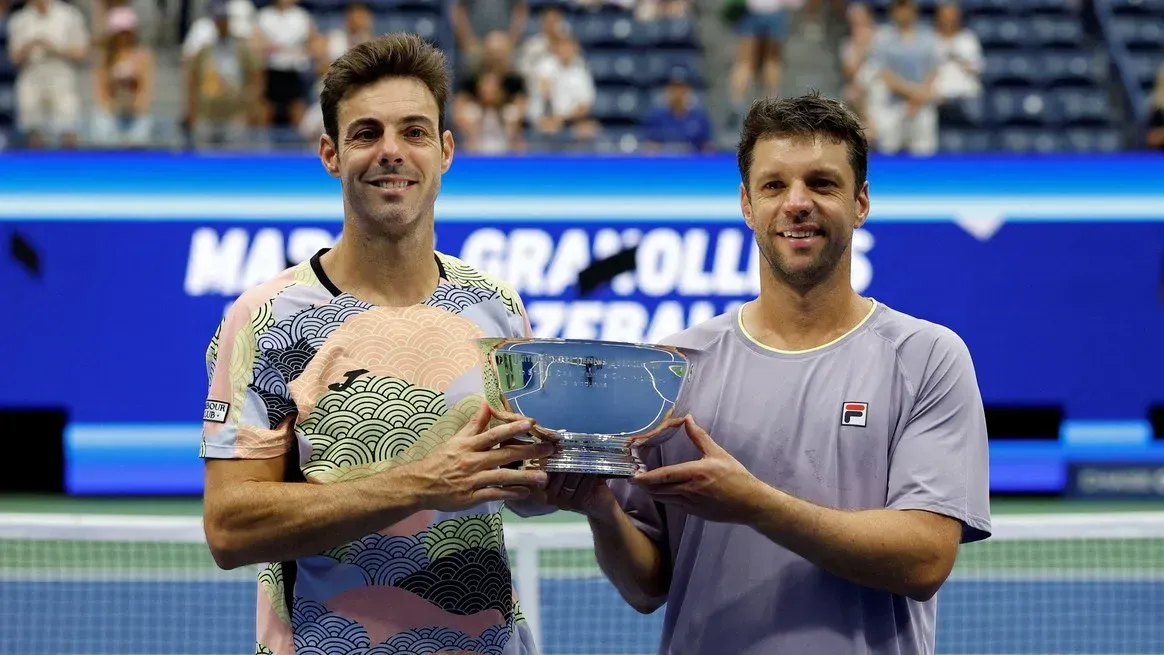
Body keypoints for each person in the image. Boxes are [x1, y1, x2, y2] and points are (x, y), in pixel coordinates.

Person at [534, 92, 992, 654]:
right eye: (774, 186)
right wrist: (601, 509)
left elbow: (925, 559)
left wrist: (756, 504)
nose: (797, 203)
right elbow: (647, 585)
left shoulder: (927, 356)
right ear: (747, 205)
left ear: (861, 202)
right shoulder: (673, 367)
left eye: (822, 184)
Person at [199, 33, 554, 655]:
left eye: (414, 132)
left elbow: (520, 491)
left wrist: (562, 475)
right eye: (366, 134)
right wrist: (417, 483)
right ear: (331, 154)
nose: (391, 152)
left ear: (445, 151)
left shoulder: (497, 305)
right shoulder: (265, 317)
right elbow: (229, 528)